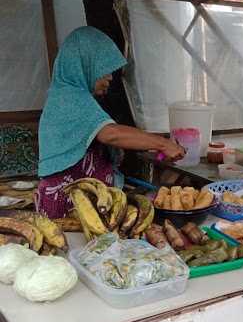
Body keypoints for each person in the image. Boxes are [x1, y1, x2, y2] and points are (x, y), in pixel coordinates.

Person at [36, 26, 184, 218]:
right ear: (85, 63)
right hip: (69, 203)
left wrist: (152, 145)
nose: (110, 77)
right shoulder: (70, 97)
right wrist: (162, 143)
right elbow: (111, 134)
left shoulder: (73, 95)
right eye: (104, 69)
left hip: (85, 201)